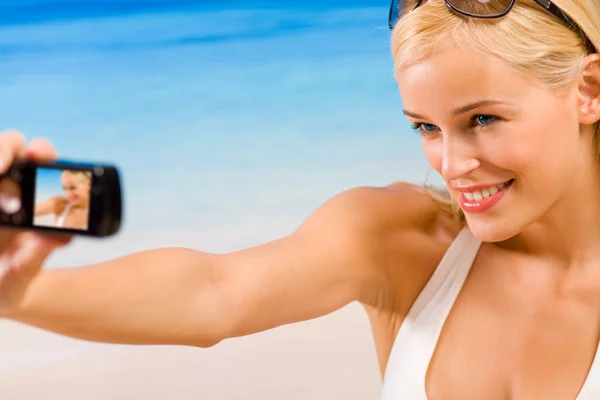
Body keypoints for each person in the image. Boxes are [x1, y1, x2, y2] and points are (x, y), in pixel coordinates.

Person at [1, 0, 600, 396]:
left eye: (484, 118)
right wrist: (15, 291)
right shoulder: (404, 242)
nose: (451, 165)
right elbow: (212, 294)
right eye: (425, 127)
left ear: (589, 91)